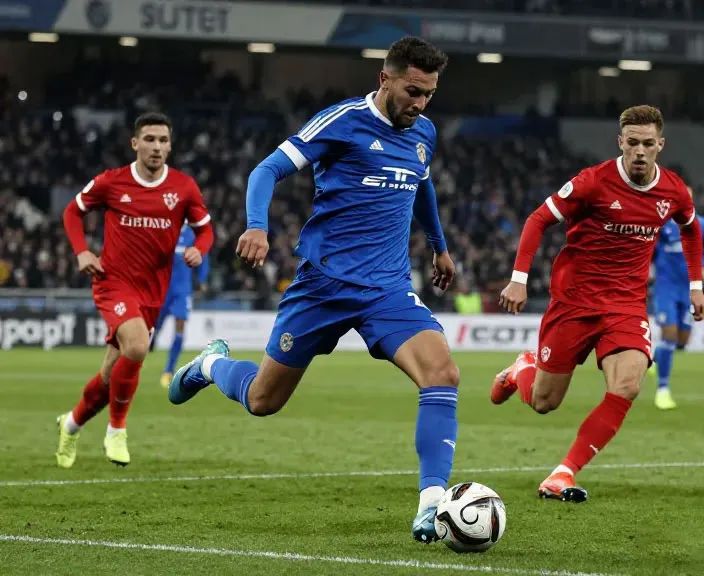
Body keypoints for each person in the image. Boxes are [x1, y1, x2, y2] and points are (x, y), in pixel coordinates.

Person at [168, 36, 459, 543]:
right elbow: (267, 169)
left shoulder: (424, 133)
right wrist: (256, 226)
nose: (420, 104)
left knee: (443, 374)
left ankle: (432, 505)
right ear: (385, 79)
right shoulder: (342, 122)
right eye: (413, 91)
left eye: (429, 94)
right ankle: (211, 365)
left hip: (387, 289)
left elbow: (422, 185)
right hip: (323, 286)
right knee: (263, 400)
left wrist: (439, 246)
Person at [491, 105, 704, 502]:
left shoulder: (673, 190)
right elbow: (538, 219)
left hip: (626, 305)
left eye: (648, 143)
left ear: (660, 144)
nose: (639, 151)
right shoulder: (592, 182)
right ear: (620, 142)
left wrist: (696, 285)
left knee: (628, 385)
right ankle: (522, 370)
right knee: (544, 402)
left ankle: (563, 473)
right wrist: (518, 279)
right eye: (632, 142)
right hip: (574, 302)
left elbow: (691, 229)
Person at [57, 112, 213, 468]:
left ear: (170, 146)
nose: (156, 147)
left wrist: (199, 249)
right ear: (135, 143)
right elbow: (71, 213)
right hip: (113, 282)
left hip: (153, 292)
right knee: (139, 346)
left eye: (163, 140)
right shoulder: (111, 182)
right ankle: (116, 430)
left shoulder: (184, 188)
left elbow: (205, 230)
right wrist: (82, 251)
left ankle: (70, 425)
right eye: (149, 139)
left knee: (109, 377)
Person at [649, 187, 704, 410]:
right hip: (666, 287)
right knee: (669, 336)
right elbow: (648, 247)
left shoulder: (701, 224)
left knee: (682, 340)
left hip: (689, 289)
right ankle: (663, 390)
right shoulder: (662, 224)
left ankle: (655, 358)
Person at [152, 222, 210, 389]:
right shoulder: (164, 230)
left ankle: (168, 370)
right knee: (154, 327)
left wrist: (202, 279)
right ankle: (151, 340)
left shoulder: (192, 235)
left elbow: (203, 255)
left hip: (182, 290)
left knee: (180, 326)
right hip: (162, 289)